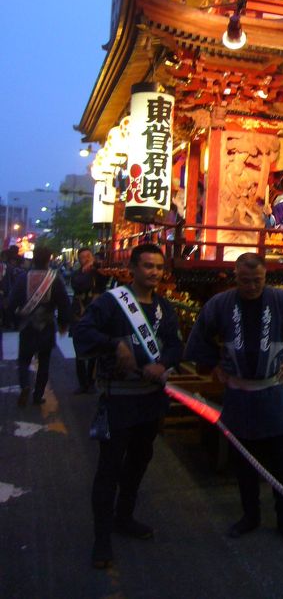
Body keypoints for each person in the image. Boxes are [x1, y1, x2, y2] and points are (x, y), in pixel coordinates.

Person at [184, 252, 283, 543]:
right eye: (245, 280)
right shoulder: (220, 303)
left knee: (281, 462)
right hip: (238, 393)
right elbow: (200, 333)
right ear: (235, 277)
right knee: (243, 462)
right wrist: (212, 365)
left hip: (272, 392)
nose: (252, 286)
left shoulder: (282, 301)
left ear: (266, 276)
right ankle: (250, 516)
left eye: (257, 280)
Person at [73, 243, 183, 569]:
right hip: (118, 400)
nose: (154, 273)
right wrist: (113, 344)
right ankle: (102, 538)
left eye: (159, 268)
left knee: (138, 462)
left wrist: (163, 364)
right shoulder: (112, 303)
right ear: (132, 269)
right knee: (108, 469)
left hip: (150, 400)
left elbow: (177, 345)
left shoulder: (164, 308)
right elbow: (82, 332)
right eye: (147, 266)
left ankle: (125, 516)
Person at [7, 245, 72, 407]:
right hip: (47, 325)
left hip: (27, 325)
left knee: (24, 360)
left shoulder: (23, 277)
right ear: (49, 259)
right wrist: (64, 323)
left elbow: (12, 302)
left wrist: (14, 318)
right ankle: (38, 395)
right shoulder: (55, 278)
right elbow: (64, 303)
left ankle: (25, 385)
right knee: (44, 362)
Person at [70, 247, 108, 393]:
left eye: (88, 256)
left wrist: (96, 268)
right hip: (80, 313)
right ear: (79, 259)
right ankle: (82, 383)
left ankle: (91, 381)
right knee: (79, 350)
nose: (86, 259)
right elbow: (80, 286)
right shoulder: (76, 274)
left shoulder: (98, 272)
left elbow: (105, 279)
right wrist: (88, 271)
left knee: (95, 348)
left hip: (96, 313)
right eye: (82, 257)